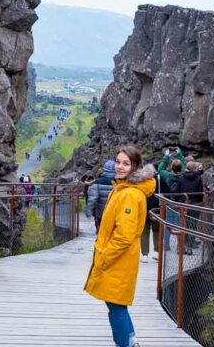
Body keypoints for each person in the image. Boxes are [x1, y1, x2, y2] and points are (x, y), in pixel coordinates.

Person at [84, 146, 156, 347]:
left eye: (126, 163)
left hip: (118, 259)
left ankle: (124, 343)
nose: (120, 167)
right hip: (120, 258)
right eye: (118, 162)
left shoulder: (130, 194)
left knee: (116, 306)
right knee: (116, 304)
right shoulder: (123, 188)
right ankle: (131, 340)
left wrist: (105, 256)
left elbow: (124, 236)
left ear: (135, 167)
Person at [158, 147, 185, 246]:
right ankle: (179, 246)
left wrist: (166, 156)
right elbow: (185, 165)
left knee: (168, 223)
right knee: (180, 225)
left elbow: (160, 169)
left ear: (171, 167)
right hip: (180, 204)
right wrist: (179, 154)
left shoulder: (167, 176)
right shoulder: (183, 176)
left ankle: (166, 245)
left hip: (169, 203)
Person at [178, 161, 204, 254]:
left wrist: (180, 199)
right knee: (192, 225)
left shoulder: (181, 177)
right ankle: (189, 247)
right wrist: (200, 200)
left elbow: (177, 190)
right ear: (194, 168)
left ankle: (181, 246)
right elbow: (200, 192)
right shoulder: (198, 178)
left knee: (182, 225)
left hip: (183, 204)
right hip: (195, 204)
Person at [83, 160, 115, 233]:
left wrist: (88, 212)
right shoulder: (119, 183)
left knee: (102, 231)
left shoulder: (97, 183)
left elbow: (92, 199)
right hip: (114, 213)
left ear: (104, 170)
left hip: (101, 213)